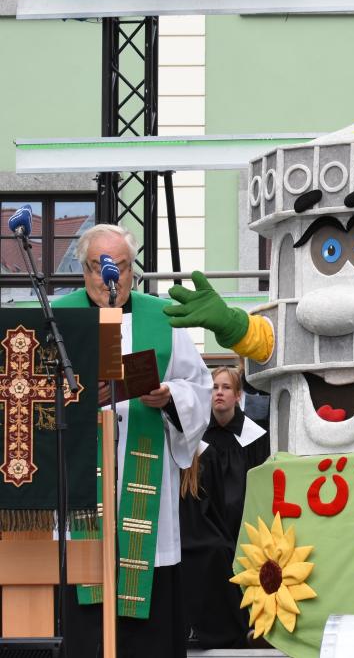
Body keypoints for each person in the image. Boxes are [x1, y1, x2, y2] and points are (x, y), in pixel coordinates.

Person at [55, 224, 212, 658]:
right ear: (83, 271)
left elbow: (199, 387)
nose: (112, 278)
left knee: (149, 596)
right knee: (84, 585)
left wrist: (168, 397)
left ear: (132, 270)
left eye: (121, 267)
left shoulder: (162, 317)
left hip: (144, 471)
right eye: (100, 267)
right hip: (84, 474)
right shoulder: (59, 317)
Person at [180, 366, 270, 648]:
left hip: (245, 517)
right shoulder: (197, 439)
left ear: (238, 395)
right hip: (209, 520)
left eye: (226, 388)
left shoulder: (255, 437)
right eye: (214, 388)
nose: (219, 393)